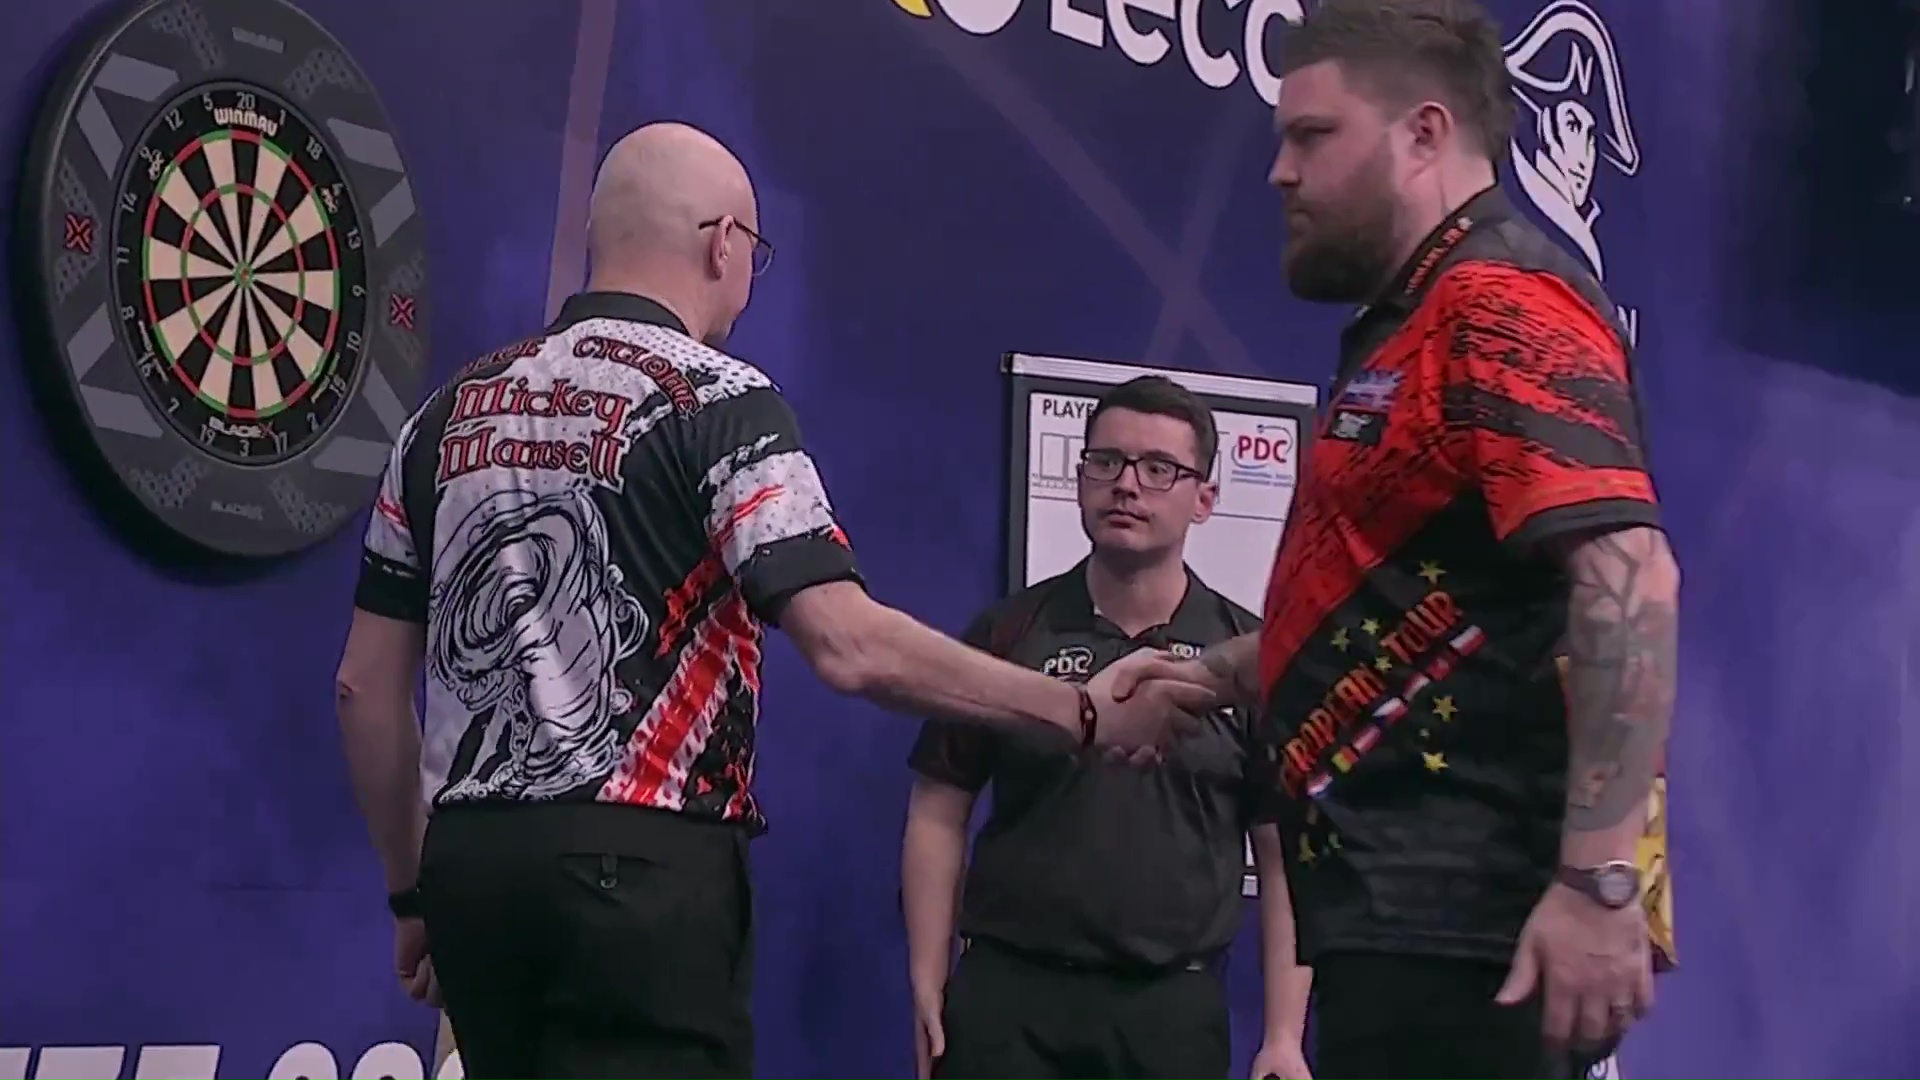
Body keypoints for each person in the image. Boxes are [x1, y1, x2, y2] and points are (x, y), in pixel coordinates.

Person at [330, 121, 1214, 1080]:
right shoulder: (718, 401)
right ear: (725, 245)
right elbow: (848, 644)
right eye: (755, 251)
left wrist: (412, 892)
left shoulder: (441, 418)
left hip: (472, 869)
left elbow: (363, 689)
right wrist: (1078, 710)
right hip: (642, 869)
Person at [1116, 3, 1681, 1078]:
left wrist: (1601, 880)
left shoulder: (1502, 301)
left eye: (1313, 135)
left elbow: (1631, 578)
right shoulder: (1409, 323)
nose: (1280, 171)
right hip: (1389, 926)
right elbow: (1413, 608)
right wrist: (1211, 676)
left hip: (1472, 932)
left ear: (1425, 133)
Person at [901, 376, 1315, 1080]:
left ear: (1205, 498)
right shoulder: (1009, 632)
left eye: (1159, 469)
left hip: (1170, 1011)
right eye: (1107, 461)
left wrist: (1283, 1035)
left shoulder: (1248, 659)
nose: (1127, 484)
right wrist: (926, 977)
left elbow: (1282, 858)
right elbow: (939, 810)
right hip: (1009, 1001)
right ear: (1079, 477)